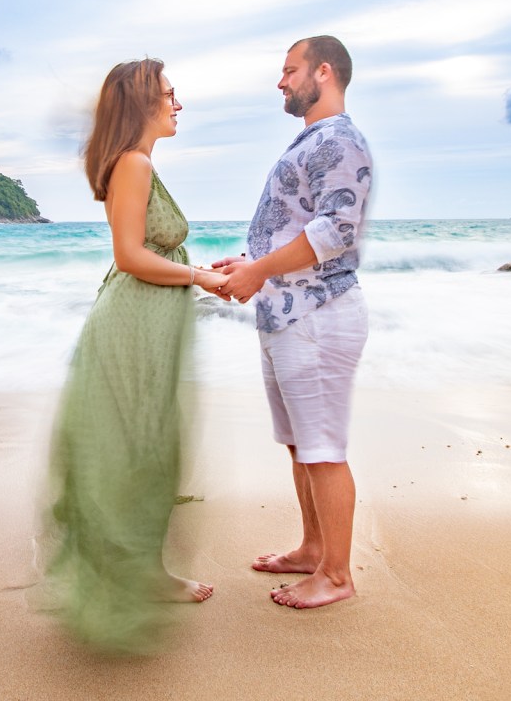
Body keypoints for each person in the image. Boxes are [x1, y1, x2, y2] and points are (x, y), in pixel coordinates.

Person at [38, 57, 227, 653]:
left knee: (150, 450)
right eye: (170, 94)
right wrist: (199, 276)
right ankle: (135, 577)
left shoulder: (139, 165)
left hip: (150, 321)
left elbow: (149, 249)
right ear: (142, 102)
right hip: (132, 323)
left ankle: (146, 570)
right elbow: (129, 257)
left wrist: (199, 269)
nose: (178, 104)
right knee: (135, 452)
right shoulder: (135, 163)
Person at [212, 35, 372, 609]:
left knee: (322, 447)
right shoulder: (313, 140)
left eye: (289, 70)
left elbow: (336, 232)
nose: (280, 82)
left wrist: (260, 274)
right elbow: (298, 228)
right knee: (300, 445)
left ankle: (336, 575)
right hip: (286, 313)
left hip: (320, 314)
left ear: (323, 72)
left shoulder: (339, 140)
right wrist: (253, 267)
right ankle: (312, 549)